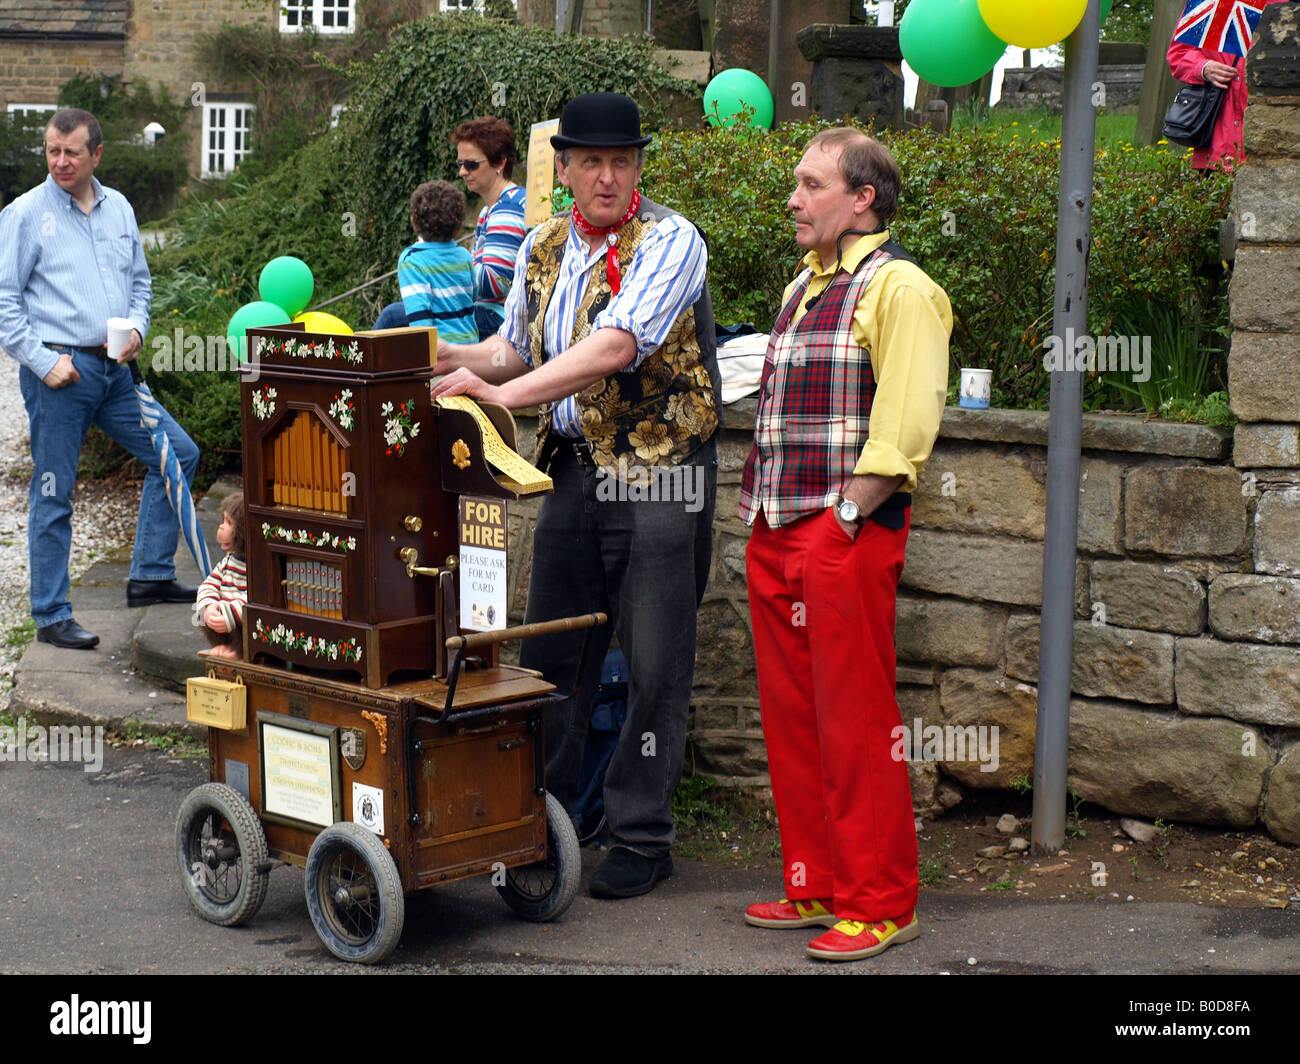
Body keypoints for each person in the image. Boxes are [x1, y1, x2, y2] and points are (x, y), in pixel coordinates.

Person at [430, 92, 721, 900]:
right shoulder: (544, 244)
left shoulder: (672, 239)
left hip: (664, 467)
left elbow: (615, 346)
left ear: (637, 168)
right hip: (575, 466)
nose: (607, 176)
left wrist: (507, 396)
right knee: (552, 652)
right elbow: (506, 348)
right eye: (590, 161)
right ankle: (542, 823)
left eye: (621, 161)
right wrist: (431, 356)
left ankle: (641, 836)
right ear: (563, 168)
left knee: (656, 656)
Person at [739, 128, 951, 961]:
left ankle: (881, 901)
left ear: (862, 198)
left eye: (811, 184)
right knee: (793, 719)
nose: (793, 199)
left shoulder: (900, 288)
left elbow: (904, 424)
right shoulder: (803, 285)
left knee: (856, 721)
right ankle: (815, 883)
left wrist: (847, 518)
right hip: (777, 527)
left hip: (841, 535)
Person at [0, 108, 199, 651]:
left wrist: (137, 326)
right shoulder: (23, 214)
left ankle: (151, 574)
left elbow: (140, 283)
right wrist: (43, 362)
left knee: (177, 455)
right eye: (51, 151)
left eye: (71, 152)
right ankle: (51, 613)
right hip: (58, 375)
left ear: (97, 154)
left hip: (116, 371)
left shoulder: (120, 210)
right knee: (53, 491)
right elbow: (4, 303)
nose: (60, 162)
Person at [1166, 0, 1289, 172]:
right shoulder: (1207, 2)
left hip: (1270, 141)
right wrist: (1203, 67)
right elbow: (1179, 53)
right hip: (1216, 144)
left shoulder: (1284, 3)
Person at [453, 116, 527, 339]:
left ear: (500, 162)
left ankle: (346, 363)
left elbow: (495, 283)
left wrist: (444, 267)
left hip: (502, 320)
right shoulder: (491, 209)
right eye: (460, 164)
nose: (462, 172)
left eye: (471, 164)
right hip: (488, 313)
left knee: (397, 318)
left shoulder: (509, 208)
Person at [396, 181, 477, 343]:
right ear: (459, 226)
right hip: (470, 349)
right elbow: (473, 296)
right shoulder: (465, 255)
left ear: (413, 222)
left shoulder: (411, 260)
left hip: (439, 355)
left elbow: (420, 324)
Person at [194, 492, 247, 659]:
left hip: (240, 625)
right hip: (223, 621)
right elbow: (209, 584)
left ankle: (241, 650)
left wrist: (230, 614)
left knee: (252, 620)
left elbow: (257, 599)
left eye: (229, 523)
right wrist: (209, 607)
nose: (221, 527)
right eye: (223, 521)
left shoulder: (257, 566)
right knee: (201, 611)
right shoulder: (228, 561)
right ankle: (222, 644)